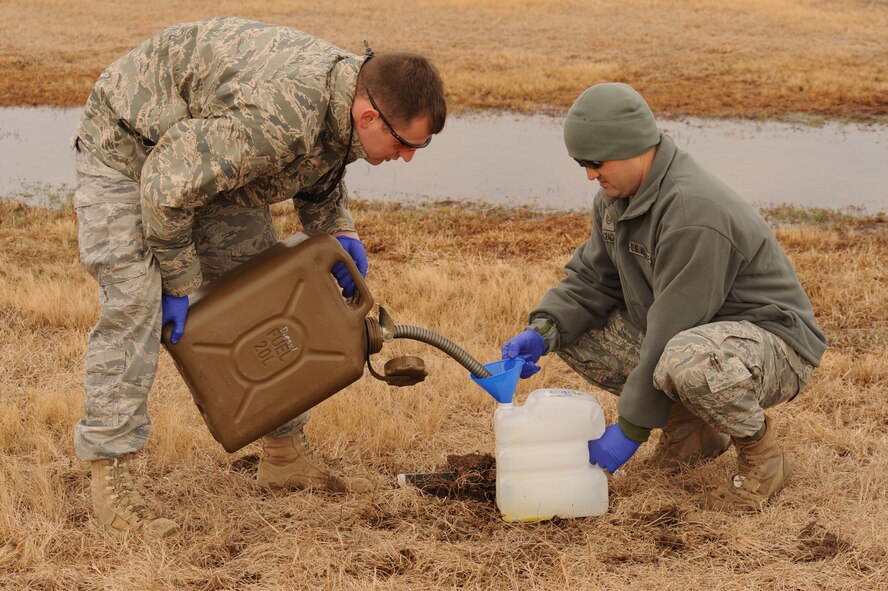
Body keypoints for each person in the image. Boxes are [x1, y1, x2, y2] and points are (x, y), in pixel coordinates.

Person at [71, 16, 447, 536]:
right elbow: (165, 185)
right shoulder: (282, 115)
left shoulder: (346, 98)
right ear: (369, 116)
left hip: (205, 159)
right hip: (129, 152)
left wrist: (338, 231)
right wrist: (179, 284)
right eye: (407, 144)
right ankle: (111, 482)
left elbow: (320, 160)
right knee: (135, 307)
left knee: (261, 288)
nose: (407, 157)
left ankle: (285, 454)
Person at [501, 83, 825, 512]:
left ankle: (763, 454)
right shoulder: (615, 199)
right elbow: (593, 281)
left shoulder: (693, 213)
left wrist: (630, 430)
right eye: (581, 163)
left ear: (632, 147)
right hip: (699, 336)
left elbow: (673, 325)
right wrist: (543, 331)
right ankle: (691, 429)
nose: (589, 175)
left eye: (595, 162)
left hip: (775, 346)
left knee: (684, 358)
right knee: (575, 331)